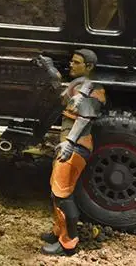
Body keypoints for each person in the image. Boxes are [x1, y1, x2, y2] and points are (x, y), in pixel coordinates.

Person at [34, 49, 105, 256]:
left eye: (76, 62)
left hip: (76, 147)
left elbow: (85, 118)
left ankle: (68, 243)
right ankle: (58, 231)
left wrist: (69, 143)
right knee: (56, 192)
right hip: (68, 144)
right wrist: (51, 71)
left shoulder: (93, 88)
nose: (71, 65)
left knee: (63, 195)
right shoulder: (79, 84)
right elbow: (64, 98)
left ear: (89, 66)